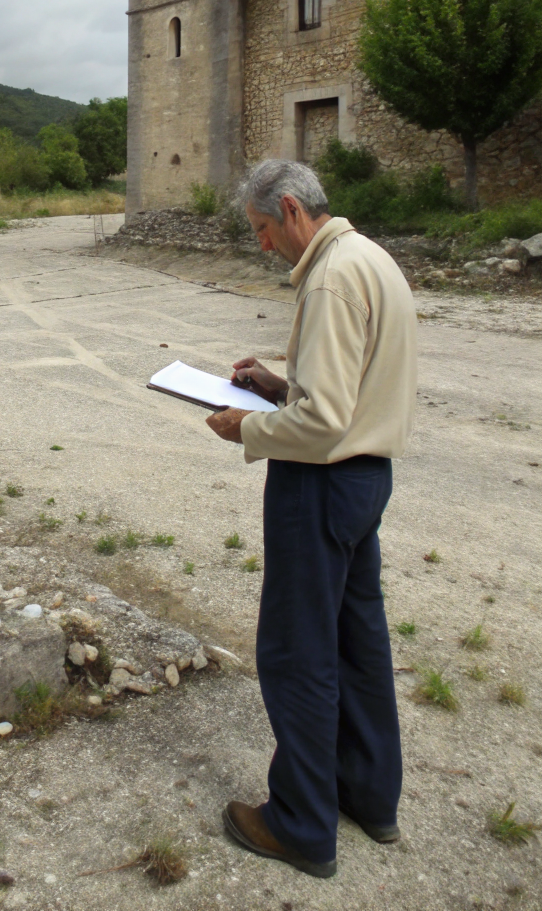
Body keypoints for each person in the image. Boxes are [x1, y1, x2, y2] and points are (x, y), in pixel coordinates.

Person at [205, 158, 417, 879]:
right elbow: (343, 386)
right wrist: (276, 382)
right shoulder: (371, 258)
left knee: (298, 650)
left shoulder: (328, 277)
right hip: (366, 480)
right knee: (359, 642)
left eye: (263, 229)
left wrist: (248, 427)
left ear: (291, 209)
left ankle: (300, 823)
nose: (263, 244)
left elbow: (324, 420)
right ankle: (368, 794)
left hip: (320, 485)